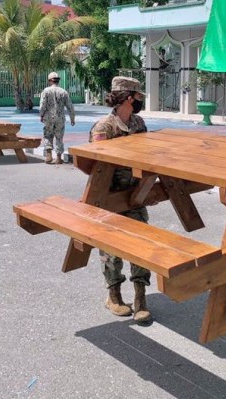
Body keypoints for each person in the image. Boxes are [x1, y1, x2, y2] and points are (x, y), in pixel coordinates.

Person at [89, 76, 152, 324]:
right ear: (129, 98)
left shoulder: (139, 123)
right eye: (138, 97)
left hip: (135, 196)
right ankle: (114, 296)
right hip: (109, 197)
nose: (140, 102)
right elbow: (94, 166)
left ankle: (140, 298)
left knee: (140, 245)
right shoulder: (104, 127)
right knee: (111, 249)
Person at [39, 71, 75, 164]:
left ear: (49, 81)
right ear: (58, 81)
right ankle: (58, 157)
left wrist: (41, 115)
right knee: (59, 137)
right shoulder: (63, 92)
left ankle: (48, 155)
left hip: (49, 117)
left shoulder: (46, 91)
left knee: (47, 135)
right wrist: (72, 118)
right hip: (60, 118)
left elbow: (42, 105)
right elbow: (70, 106)